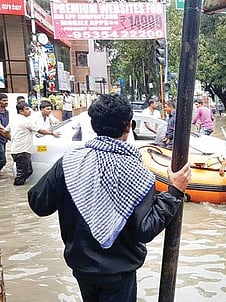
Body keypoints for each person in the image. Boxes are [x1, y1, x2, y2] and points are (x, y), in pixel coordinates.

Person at [27, 94, 191, 301]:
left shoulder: (68, 163)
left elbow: (39, 203)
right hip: (119, 271)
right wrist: (174, 191)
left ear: (94, 125)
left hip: (82, 266)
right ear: (128, 126)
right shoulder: (138, 173)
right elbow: (145, 229)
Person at [5, 102, 60, 185]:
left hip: (17, 150)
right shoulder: (26, 121)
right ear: (21, 111)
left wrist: (12, 139)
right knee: (22, 175)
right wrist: (52, 133)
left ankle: (20, 188)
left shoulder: (14, 119)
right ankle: (18, 190)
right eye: (27, 109)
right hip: (22, 151)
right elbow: (40, 130)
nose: (29, 111)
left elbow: (6, 131)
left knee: (28, 171)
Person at [0, 93, 10, 173]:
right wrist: (11, 137)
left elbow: (7, 126)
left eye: (7, 100)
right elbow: (1, 128)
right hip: (1, 138)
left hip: (4, 139)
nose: (6, 102)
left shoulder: (7, 112)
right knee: (2, 160)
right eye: (4, 100)